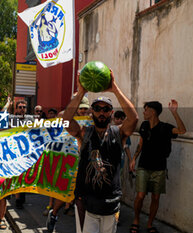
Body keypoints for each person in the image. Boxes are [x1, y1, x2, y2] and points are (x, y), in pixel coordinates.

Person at [46, 71, 138, 233]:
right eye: (97, 108)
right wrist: (81, 91)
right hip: (86, 204)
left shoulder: (119, 133)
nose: (101, 112)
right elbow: (66, 120)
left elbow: (134, 119)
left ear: (111, 112)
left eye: (106, 109)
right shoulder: (84, 133)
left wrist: (115, 89)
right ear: (92, 111)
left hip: (111, 204)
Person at [129, 100, 186, 233]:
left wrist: (174, 113)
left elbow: (182, 130)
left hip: (159, 168)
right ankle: (136, 220)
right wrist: (133, 159)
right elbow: (141, 143)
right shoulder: (143, 125)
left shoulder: (165, 127)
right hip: (143, 166)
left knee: (155, 197)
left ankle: (150, 224)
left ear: (153, 111)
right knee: (140, 196)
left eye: (146, 109)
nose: (143, 112)